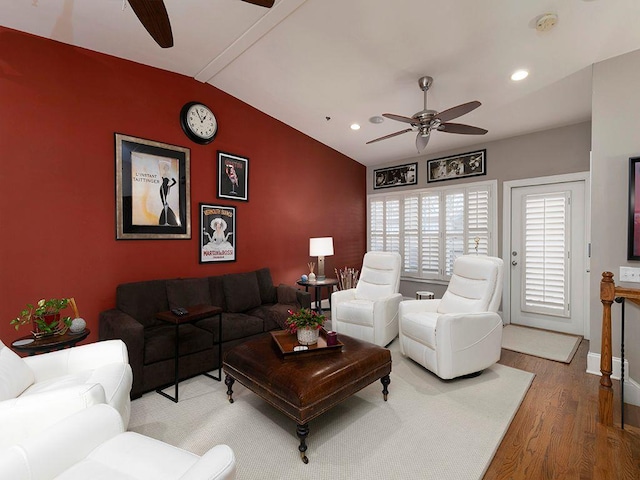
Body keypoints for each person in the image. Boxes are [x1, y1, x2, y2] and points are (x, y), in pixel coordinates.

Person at [159, 161, 178, 226]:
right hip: (162, 188)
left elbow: (175, 182)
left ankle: (168, 219)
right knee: (163, 203)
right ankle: (165, 219)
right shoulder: (163, 174)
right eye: (164, 167)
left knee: (165, 202)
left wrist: (169, 186)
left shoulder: (169, 175)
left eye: (166, 167)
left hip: (165, 188)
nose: (165, 168)